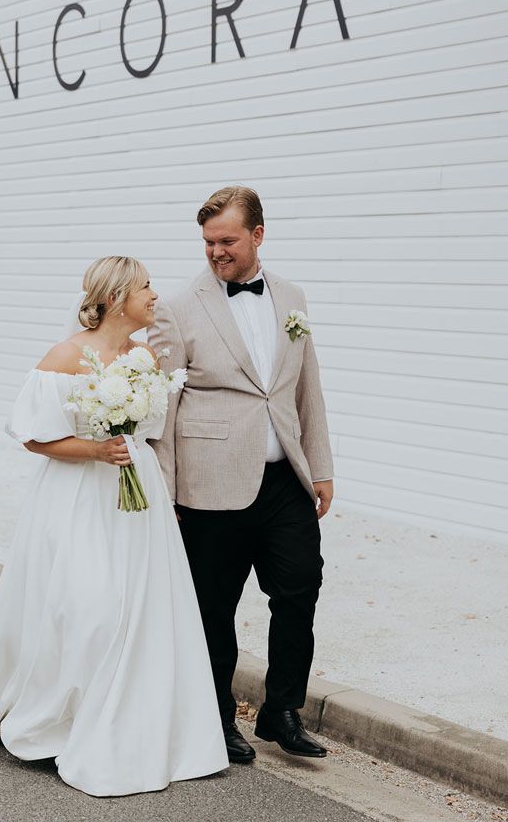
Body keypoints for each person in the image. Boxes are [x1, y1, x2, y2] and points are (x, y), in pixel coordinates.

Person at [0, 256, 228, 797]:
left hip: (135, 497)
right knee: (88, 605)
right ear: (118, 297)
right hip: (78, 496)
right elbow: (32, 437)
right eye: (145, 287)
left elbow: (151, 431)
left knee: (138, 607)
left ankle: (130, 723)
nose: (155, 296)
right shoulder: (66, 356)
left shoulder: (143, 355)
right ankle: (59, 715)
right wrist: (95, 448)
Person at [148, 187, 334, 764]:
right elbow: (164, 404)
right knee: (213, 606)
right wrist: (167, 487)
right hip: (210, 481)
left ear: (257, 235)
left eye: (227, 240)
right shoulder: (175, 307)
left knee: (301, 585)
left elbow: (307, 387)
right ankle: (217, 715)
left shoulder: (293, 296)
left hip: (285, 482)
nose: (215, 252)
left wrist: (320, 466)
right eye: (208, 242)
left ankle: (281, 711)